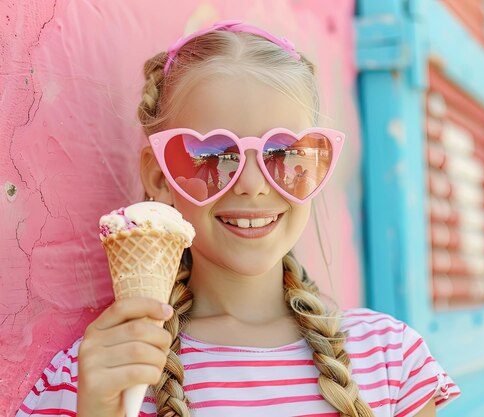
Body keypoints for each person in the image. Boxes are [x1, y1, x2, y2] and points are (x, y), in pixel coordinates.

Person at [16, 20, 460, 417]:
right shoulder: (96, 375)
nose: (252, 184)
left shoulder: (391, 359)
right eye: (212, 156)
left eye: (285, 154)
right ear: (160, 176)